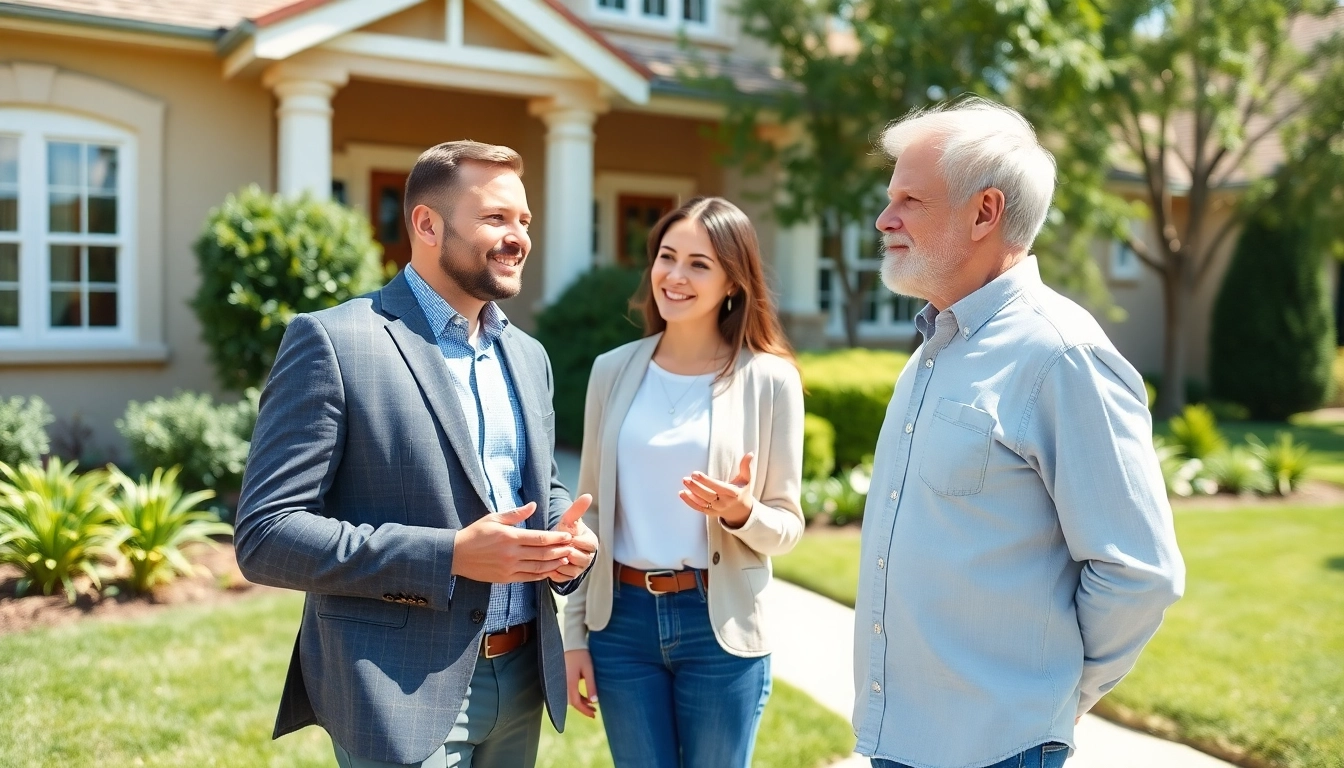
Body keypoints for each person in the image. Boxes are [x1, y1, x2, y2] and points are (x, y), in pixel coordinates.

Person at [233, 140, 598, 768]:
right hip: (396, 693)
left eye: (524, 221)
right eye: (495, 219)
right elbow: (267, 536)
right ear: (427, 225)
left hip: (522, 679)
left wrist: (565, 542)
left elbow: (526, 488)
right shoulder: (333, 341)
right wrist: (450, 557)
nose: (519, 238)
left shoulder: (528, 356)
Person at [853, 99, 1185, 768]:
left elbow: (1138, 573)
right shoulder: (930, 351)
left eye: (909, 200)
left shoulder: (1062, 356)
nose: (885, 219)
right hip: (899, 740)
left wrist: (1050, 699)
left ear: (985, 212)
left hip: (999, 751)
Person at [561, 197, 805, 768]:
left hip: (716, 626)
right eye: (667, 257)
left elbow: (787, 528)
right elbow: (590, 514)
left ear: (732, 283)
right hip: (620, 625)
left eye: (699, 263)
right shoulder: (612, 370)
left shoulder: (769, 380)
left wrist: (744, 513)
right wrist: (576, 634)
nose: (675, 275)